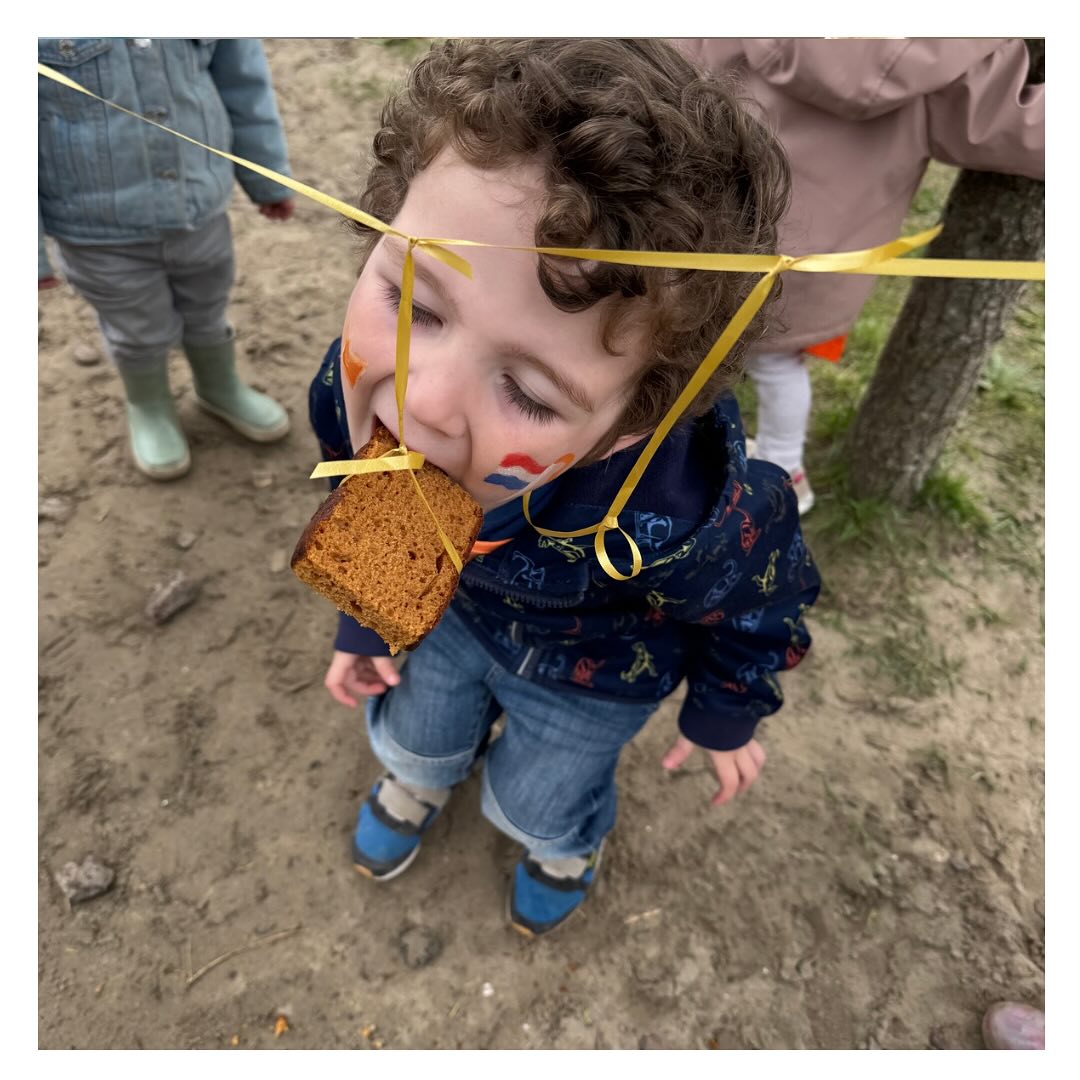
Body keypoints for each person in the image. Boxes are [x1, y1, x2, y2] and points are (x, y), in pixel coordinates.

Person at [308, 39, 820, 937]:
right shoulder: (361, 394)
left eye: (530, 393)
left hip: (596, 674)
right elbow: (370, 500)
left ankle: (563, 844)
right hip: (448, 616)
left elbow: (759, 604)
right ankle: (419, 779)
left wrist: (725, 714)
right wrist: (366, 617)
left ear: (633, 423)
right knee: (418, 732)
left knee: (541, 795)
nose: (422, 400)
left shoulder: (687, 513)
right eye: (415, 306)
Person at [674, 38, 1046, 515]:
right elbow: (1018, 126)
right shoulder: (946, 53)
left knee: (688, 345)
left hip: (713, 235)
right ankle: (784, 467)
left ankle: (674, 453)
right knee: (777, 366)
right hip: (815, 264)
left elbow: (669, 61)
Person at [38, 37, 296, 480]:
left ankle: (218, 385)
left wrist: (266, 177)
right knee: (137, 329)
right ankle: (149, 404)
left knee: (208, 305)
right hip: (97, 232)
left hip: (199, 210)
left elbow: (243, 82)